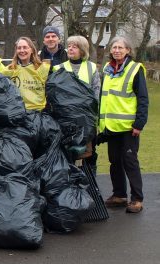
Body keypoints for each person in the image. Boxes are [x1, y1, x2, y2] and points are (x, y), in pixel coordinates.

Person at [99, 36, 148, 214]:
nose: (117, 50)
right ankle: (119, 195)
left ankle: (137, 199)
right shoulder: (107, 68)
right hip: (111, 126)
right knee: (114, 162)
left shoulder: (135, 69)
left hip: (129, 127)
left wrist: (139, 123)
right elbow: (103, 96)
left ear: (128, 50)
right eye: (114, 47)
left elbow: (143, 98)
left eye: (120, 47)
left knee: (130, 162)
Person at [52, 35, 101, 174]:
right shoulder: (59, 68)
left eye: (75, 46)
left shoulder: (91, 68)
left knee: (88, 155)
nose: (71, 49)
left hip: (87, 121)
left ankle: (90, 185)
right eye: (70, 46)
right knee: (67, 155)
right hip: (66, 121)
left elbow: (96, 93)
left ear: (83, 50)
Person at [2, 37, 50, 111]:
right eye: (19, 48)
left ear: (32, 50)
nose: (22, 50)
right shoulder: (9, 70)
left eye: (25, 47)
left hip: (38, 113)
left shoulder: (42, 68)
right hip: (17, 112)